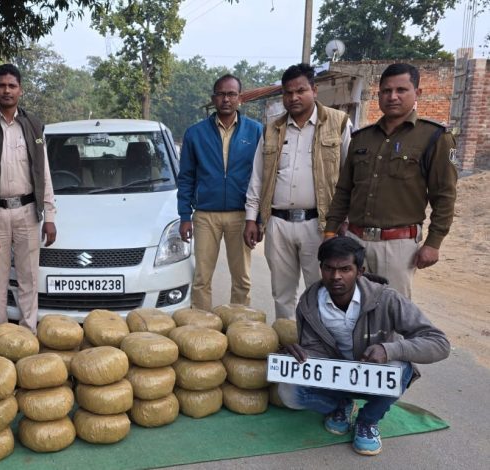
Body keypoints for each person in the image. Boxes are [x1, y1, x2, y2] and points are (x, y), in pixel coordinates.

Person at [278, 236, 450, 456]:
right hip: (337, 380)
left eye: (345, 269)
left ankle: (367, 421)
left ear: (360, 271)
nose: (336, 276)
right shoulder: (309, 304)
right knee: (288, 391)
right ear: (321, 268)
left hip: (374, 377)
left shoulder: (386, 299)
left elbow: (440, 343)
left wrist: (389, 350)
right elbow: (315, 350)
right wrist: (300, 354)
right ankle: (341, 406)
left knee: (399, 367)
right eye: (329, 268)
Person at [324, 63, 458, 298]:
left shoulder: (435, 137)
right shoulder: (362, 138)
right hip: (355, 240)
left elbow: (444, 195)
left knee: (391, 310)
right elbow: (344, 189)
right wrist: (331, 231)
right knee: (351, 305)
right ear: (379, 95)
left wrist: (433, 242)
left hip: (397, 246)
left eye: (401, 90)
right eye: (386, 91)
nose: (392, 96)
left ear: (417, 93)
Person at [244, 63, 352, 320]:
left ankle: (321, 339)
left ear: (314, 90)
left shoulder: (338, 123)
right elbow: (257, 177)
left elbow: (351, 176)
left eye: (300, 91)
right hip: (278, 223)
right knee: (282, 292)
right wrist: (251, 218)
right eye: (288, 92)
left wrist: (344, 219)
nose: (293, 97)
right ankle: (288, 337)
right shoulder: (272, 129)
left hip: (320, 225)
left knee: (322, 288)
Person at [0, 63, 57, 336]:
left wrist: (49, 216)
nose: (7, 90)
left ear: (20, 90)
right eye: (2, 85)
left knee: (28, 277)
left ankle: (28, 332)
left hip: (28, 211)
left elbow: (44, 173)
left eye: (12, 86)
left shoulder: (33, 125)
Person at [177, 74, 263, 310]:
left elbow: (262, 178)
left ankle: (240, 323)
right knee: (202, 279)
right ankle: (201, 326)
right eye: (221, 94)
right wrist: (184, 215)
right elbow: (186, 177)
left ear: (240, 98)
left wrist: (258, 219)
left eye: (232, 94)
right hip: (205, 215)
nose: (226, 99)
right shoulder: (195, 133)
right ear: (213, 98)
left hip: (241, 215)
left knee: (242, 279)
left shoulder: (256, 131)